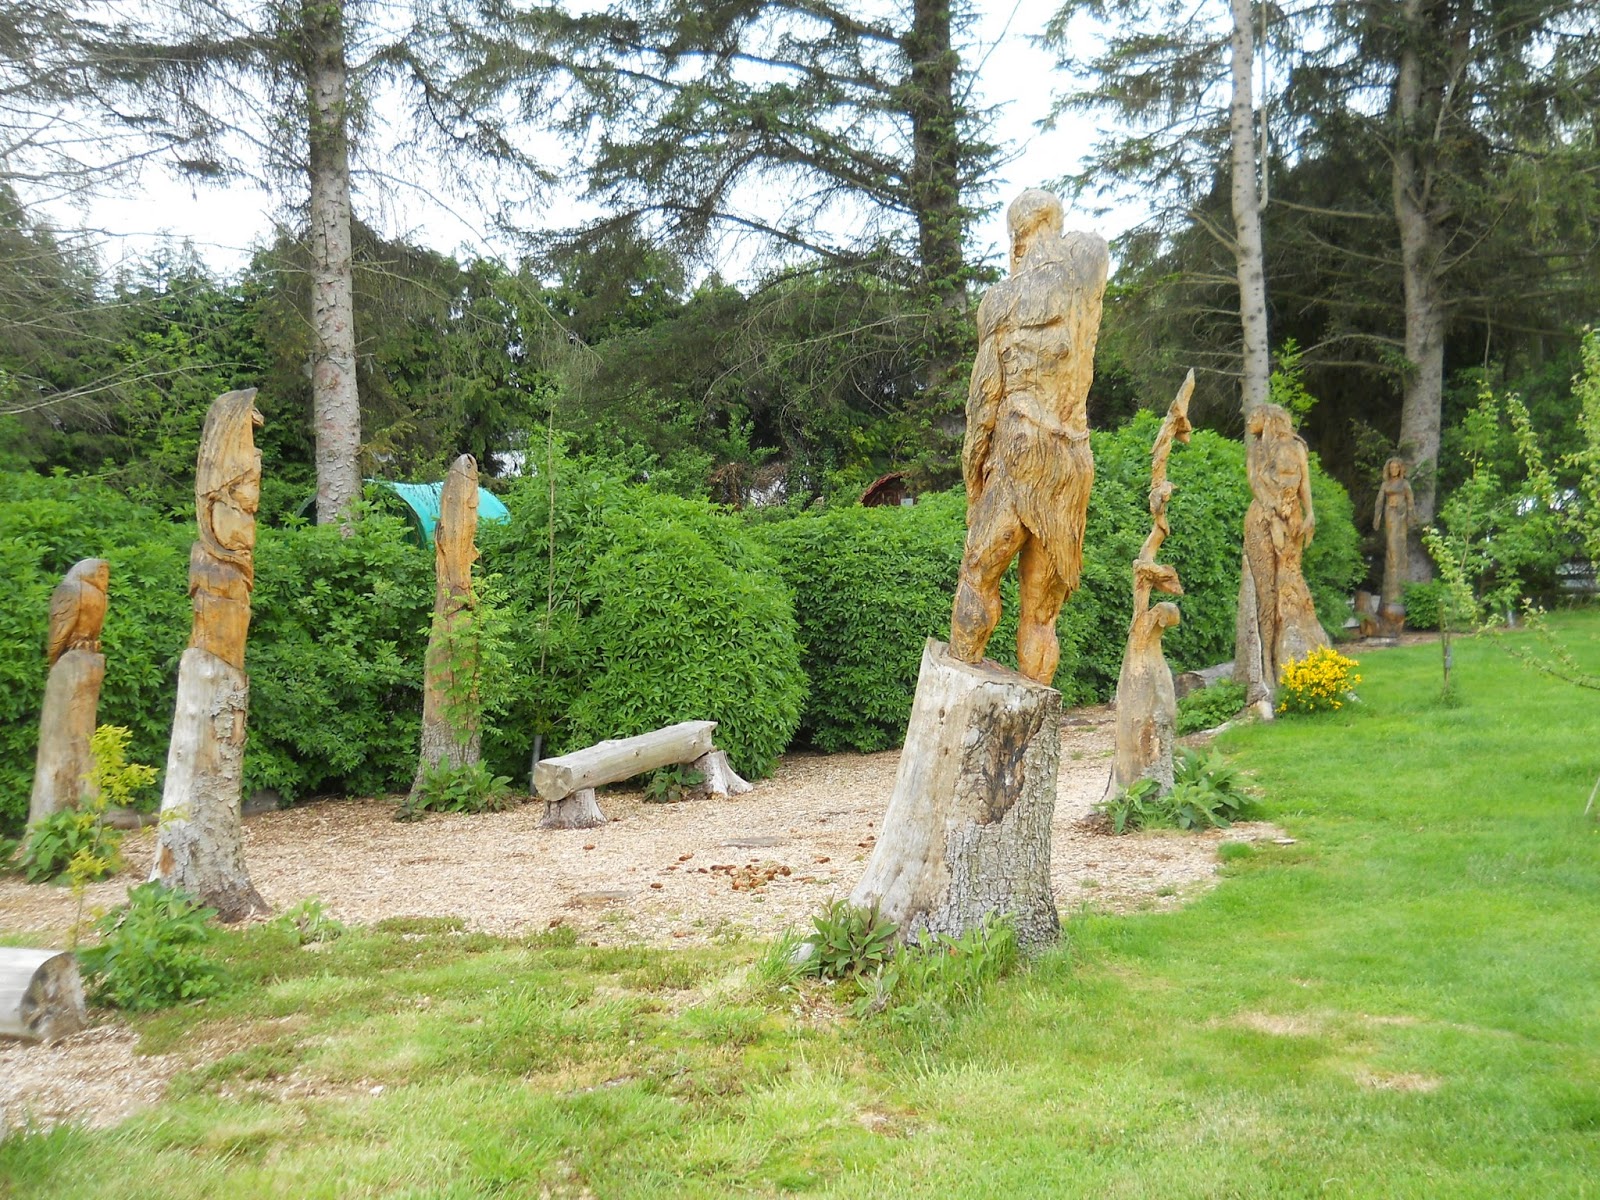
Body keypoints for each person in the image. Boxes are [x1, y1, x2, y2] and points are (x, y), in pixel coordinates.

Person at [949, 190, 1109, 685]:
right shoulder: (1086, 275)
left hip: (1020, 451)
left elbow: (983, 403)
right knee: (1041, 615)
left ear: (1015, 240)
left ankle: (959, 684)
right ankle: (1034, 709)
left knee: (978, 574)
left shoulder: (1003, 301)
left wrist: (973, 482)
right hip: (1072, 460)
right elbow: (1089, 245)